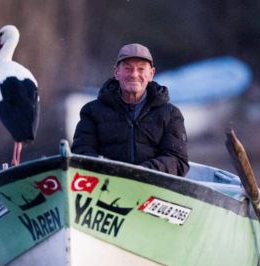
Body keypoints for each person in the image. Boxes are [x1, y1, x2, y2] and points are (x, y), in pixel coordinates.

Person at [71, 44, 189, 176]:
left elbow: (178, 162)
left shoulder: (171, 115)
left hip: (153, 189)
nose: (134, 74)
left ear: (151, 74)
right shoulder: (91, 112)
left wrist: (145, 171)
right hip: (103, 188)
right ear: (117, 73)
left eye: (141, 69)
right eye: (128, 68)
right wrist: (108, 169)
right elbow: (81, 154)